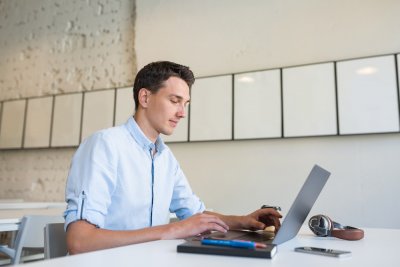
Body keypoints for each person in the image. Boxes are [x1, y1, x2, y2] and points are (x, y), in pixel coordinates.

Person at [64, 61, 282, 254]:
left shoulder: (164, 157)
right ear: (145, 97)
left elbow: (195, 215)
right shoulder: (105, 145)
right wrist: (174, 229)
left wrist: (245, 221)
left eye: (185, 104)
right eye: (175, 100)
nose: (182, 113)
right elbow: (80, 241)